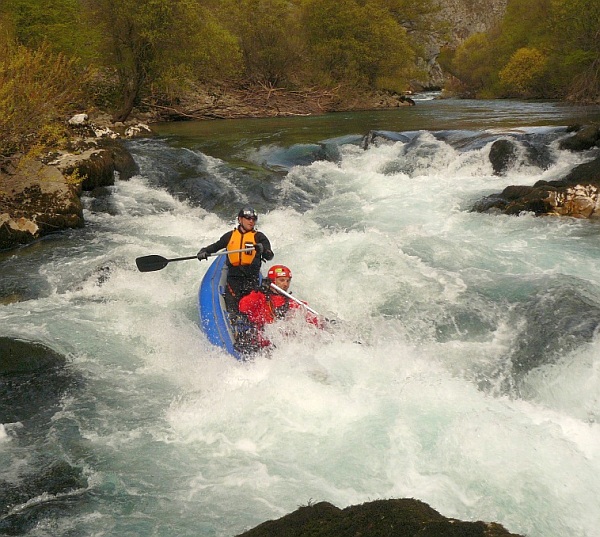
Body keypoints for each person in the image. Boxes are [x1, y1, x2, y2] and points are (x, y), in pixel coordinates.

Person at [197, 207, 274, 312]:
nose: (251, 221)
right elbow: (215, 247)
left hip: (251, 279)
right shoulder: (230, 236)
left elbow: (269, 256)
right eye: (248, 218)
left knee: (249, 310)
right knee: (232, 308)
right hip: (234, 278)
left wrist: (263, 250)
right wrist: (204, 251)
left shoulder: (259, 237)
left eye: (253, 219)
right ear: (240, 219)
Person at [236, 264, 321, 353]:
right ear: (273, 281)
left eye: (288, 281)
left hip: (278, 345)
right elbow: (243, 307)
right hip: (259, 340)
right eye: (282, 280)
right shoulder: (260, 296)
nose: (286, 284)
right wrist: (258, 292)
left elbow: (305, 316)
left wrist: (322, 322)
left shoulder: (290, 302)